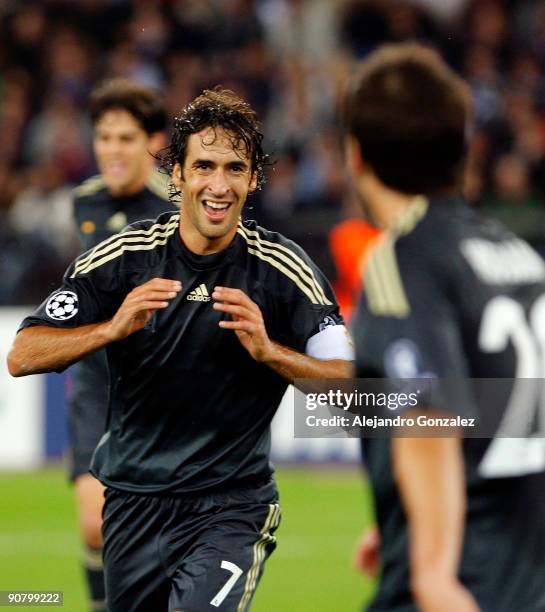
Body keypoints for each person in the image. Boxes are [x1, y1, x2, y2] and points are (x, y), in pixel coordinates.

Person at [8, 88, 353, 611]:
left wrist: (271, 353)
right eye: (205, 166)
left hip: (231, 507)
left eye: (235, 169)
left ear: (254, 178)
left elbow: (353, 383)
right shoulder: (123, 258)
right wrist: (110, 327)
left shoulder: (284, 270)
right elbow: (23, 353)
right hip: (132, 503)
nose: (219, 185)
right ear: (177, 174)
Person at [343, 43, 545, 611]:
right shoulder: (515, 255)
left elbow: (430, 410)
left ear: (357, 156)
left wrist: (432, 568)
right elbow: (510, 413)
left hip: (461, 591)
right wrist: (411, 511)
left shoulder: (403, 261)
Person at [68, 78, 178, 612]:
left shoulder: (179, 207)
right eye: (104, 137)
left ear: (152, 143)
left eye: (125, 138)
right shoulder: (84, 200)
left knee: (155, 539)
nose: (112, 149)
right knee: (94, 526)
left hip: (158, 386)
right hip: (95, 380)